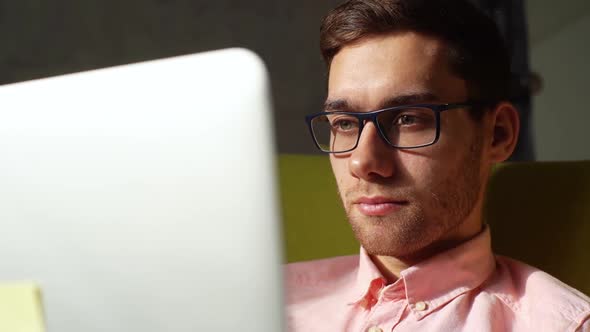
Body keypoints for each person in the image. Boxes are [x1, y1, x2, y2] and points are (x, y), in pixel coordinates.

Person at [285, 0, 590, 331]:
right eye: (344, 123)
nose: (363, 162)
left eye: (408, 118)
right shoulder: (263, 302)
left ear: (497, 134)